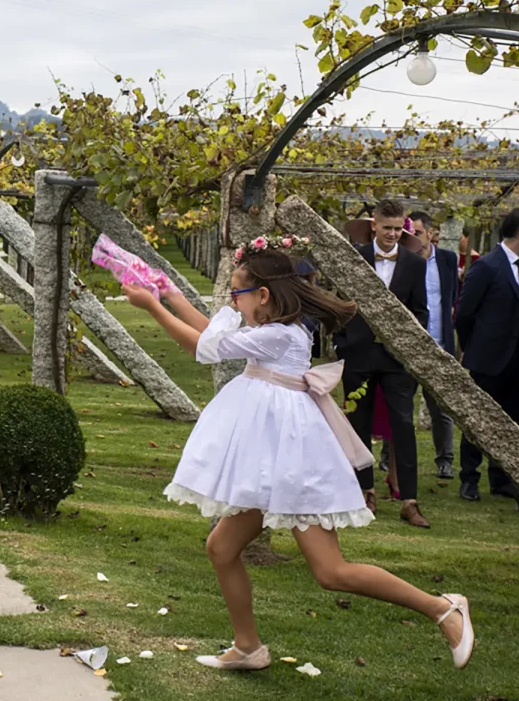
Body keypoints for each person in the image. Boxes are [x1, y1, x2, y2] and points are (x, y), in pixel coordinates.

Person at [122, 238, 473, 672]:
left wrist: (153, 307)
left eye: (236, 294)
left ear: (263, 296)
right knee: (222, 548)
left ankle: (443, 608)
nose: (233, 303)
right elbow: (214, 334)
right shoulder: (270, 331)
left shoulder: (278, 335)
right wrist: (168, 293)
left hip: (291, 464)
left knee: (332, 572)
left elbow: (203, 348)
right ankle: (248, 647)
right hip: (270, 460)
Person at [333, 199, 430, 528]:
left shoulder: (415, 264)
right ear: (373, 225)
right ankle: (364, 492)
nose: (392, 233)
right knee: (357, 423)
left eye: (397, 228)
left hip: (396, 360)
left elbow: (421, 311)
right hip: (358, 354)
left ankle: (410, 501)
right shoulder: (354, 260)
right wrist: (341, 343)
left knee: (403, 426)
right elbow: (340, 304)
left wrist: (411, 349)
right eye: (386, 227)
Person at [455, 207, 519, 514]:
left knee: (510, 422)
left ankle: (501, 477)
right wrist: (472, 348)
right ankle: (469, 477)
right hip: (486, 359)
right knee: (478, 421)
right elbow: (464, 314)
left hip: (518, 362)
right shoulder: (487, 267)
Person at [409, 211, 460, 479]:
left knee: (441, 408)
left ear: (431, 233)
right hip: (409, 346)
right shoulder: (405, 261)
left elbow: (452, 297)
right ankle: (389, 458)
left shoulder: (448, 260)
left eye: (417, 233)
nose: (413, 238)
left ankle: (445, 460)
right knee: (402, 405)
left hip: (440, 345)